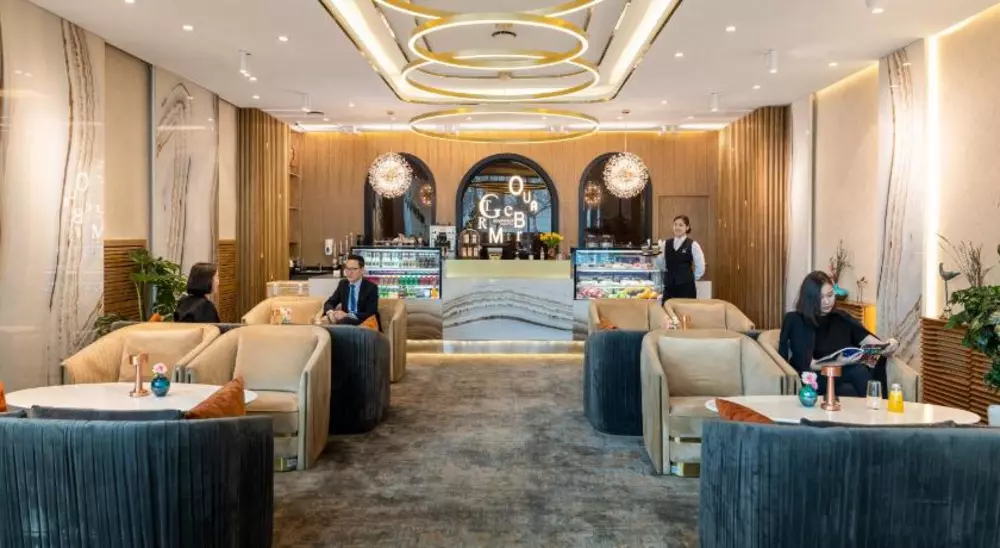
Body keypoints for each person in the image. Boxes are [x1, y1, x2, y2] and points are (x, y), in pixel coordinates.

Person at [778, 271, 899, 397]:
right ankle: (879, 406)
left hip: (842, 373)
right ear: (809, 299)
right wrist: (839, 362)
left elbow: (870, 341)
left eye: (830, 295)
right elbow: (810, 364)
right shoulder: (795, 320)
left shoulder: (842, 318)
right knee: (857, 373)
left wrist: (888, 345)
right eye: (820, 298)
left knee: (859, 374)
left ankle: (876, 405)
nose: (826, 302)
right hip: (814, 376)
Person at [657, 215, 706, 304]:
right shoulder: (665, 244)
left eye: (681, 225)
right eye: (675, 225)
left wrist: (689, 278)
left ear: (687, 227)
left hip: (686, 288)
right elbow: (661, 264)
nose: (677, 227)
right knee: (667, 310)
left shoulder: (693, 244)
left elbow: (700, 266)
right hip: (669, 286)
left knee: (686, 311)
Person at [323, 254, 379, 327]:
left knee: (343, 322)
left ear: (362, 270)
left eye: (353, 269)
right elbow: (329, 303)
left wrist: (348, 315)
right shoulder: (343, 284)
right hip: (345, 323)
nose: (349, 272)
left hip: (365, 323)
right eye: (347, 269)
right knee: (328, 322)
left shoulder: (371, 287)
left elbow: (370, 313)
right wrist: (331, 313)